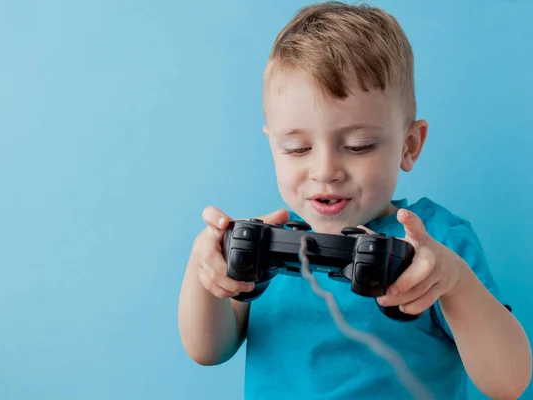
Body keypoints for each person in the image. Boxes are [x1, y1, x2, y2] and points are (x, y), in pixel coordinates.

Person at [177, 2, 532, 399]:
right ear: (272, 146)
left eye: (359, 146)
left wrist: (455, 282)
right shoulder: (263, 249)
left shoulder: (437, 244)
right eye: (297, 148)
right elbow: (207, 350)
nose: (325, 170)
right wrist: (204, 269)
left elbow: (508, 383)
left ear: (409, 146)